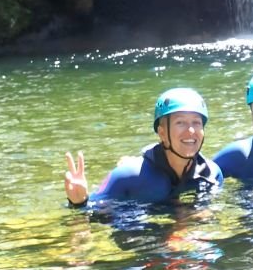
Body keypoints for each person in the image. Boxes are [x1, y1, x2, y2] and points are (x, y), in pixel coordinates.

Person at [64, 87, 223, 206]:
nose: (191, 131)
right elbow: (94, 213)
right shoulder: (127, 176)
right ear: (162, 133)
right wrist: (79, 203)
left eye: (196, 122)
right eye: (180, 122)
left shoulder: (212, 174)